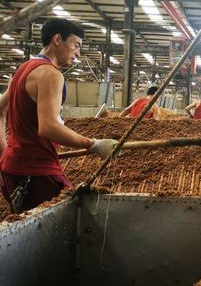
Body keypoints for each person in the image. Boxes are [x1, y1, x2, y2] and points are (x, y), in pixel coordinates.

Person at [0, 19, 117, 214]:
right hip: (37, 172)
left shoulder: (22, 70)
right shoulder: (50, 75)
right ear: (57, 39)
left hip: (12, 170)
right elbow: (48, 127)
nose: (78, 53)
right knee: (72, 216)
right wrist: (93, 144)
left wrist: (5, 151)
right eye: (76, 45)